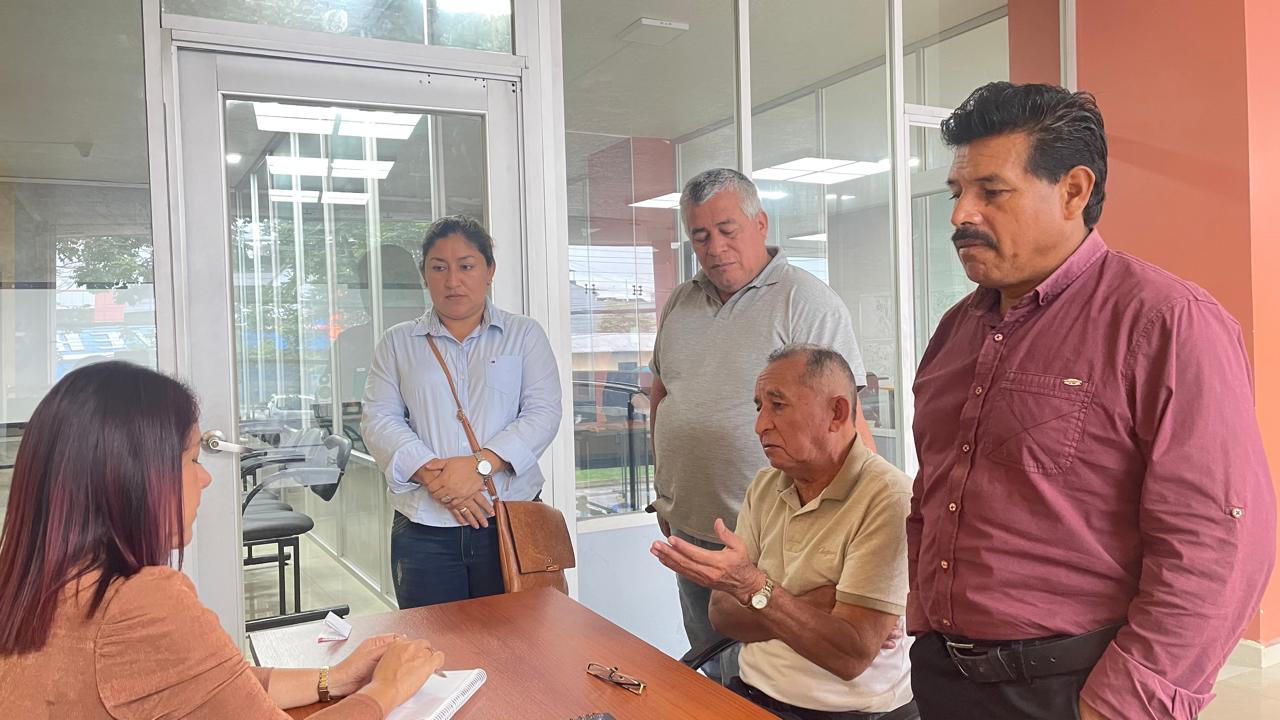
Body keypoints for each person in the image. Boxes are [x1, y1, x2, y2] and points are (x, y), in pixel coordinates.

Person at [907, 81, 1276, 720]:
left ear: (1074, 191)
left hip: (1074, 692)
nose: (961, 214)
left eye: (991, 191)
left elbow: (1219, 541)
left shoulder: (1165, 322)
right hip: (943, 679)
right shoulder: (954, 331)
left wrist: (1126, 704)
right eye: (956, 191)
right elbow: (932, 492)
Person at [0, 361, 443, 718]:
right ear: (131, 478)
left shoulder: (37, 581)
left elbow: (219, 686)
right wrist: (387, 690)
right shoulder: (136, 602)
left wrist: (337, 678)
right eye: (193, 459)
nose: (206, 478)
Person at [649, 167, 874, 680]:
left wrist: (865, 524)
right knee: (709, 664)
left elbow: (845, 421)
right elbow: (663, 395)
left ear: (760, 224)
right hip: (691, 525)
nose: (715, 247)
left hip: (774, 538)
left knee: (766, 676)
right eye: (700, 235)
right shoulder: (681, 301)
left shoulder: (806, 301)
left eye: (727, 229)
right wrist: (664, 491)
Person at [652, 345, 916, 720]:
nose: (760, 425)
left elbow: (850, 655)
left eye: (777, 406)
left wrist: (753, 589)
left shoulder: (889, 497)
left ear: (837, 413)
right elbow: (722, 615)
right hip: (752, 694)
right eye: (759, 407)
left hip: (847, 713)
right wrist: (815, 603)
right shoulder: (766, 485)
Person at [363, 215, 562, 609]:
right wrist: (435, 478)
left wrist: (479, 467)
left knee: (520, 634)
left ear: (490, 270)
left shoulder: (524, 335)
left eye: (466, 266)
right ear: (424, 275)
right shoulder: (397, 343)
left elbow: (543, 413)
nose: (452, 280)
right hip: (424, 527)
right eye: (439, 268)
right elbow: (379, 419)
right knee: (434, 638)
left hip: (510, 519)